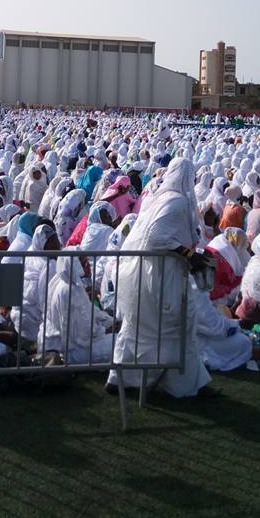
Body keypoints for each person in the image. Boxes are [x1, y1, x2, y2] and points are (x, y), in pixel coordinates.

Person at [106, 157, 212, 397]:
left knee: (138, 327)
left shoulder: (157, 198)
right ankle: (184, 385)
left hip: (143, 273)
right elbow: (155, 238)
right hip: (161, 275)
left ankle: (120, 378)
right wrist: (188, 255)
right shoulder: (177, 202)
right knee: (178, 325)